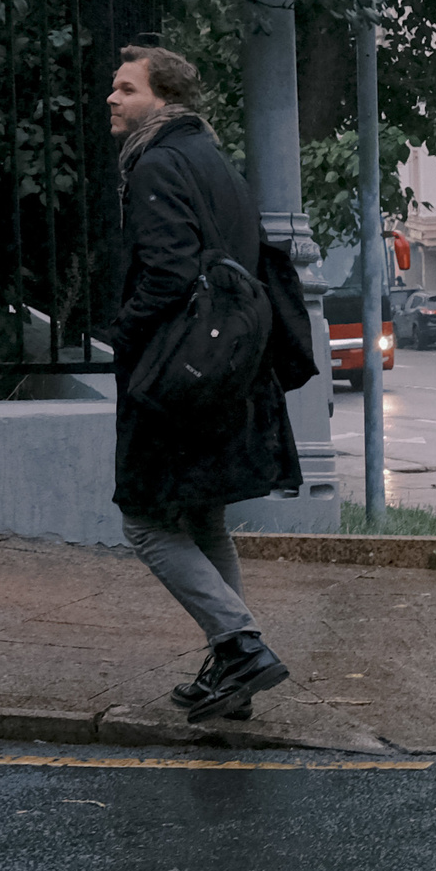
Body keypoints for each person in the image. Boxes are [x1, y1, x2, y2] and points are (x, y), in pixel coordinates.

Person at [107, 45, 305, 722]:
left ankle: (241, 645)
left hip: (176, 377)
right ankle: (232, 671)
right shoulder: (213, 158)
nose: (113, 99)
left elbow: (166, 274)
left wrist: (123, 337)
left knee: (146, 522)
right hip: (229, 372)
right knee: (204, 517)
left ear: (161, 99)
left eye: (126, 89)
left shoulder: (158, 163)